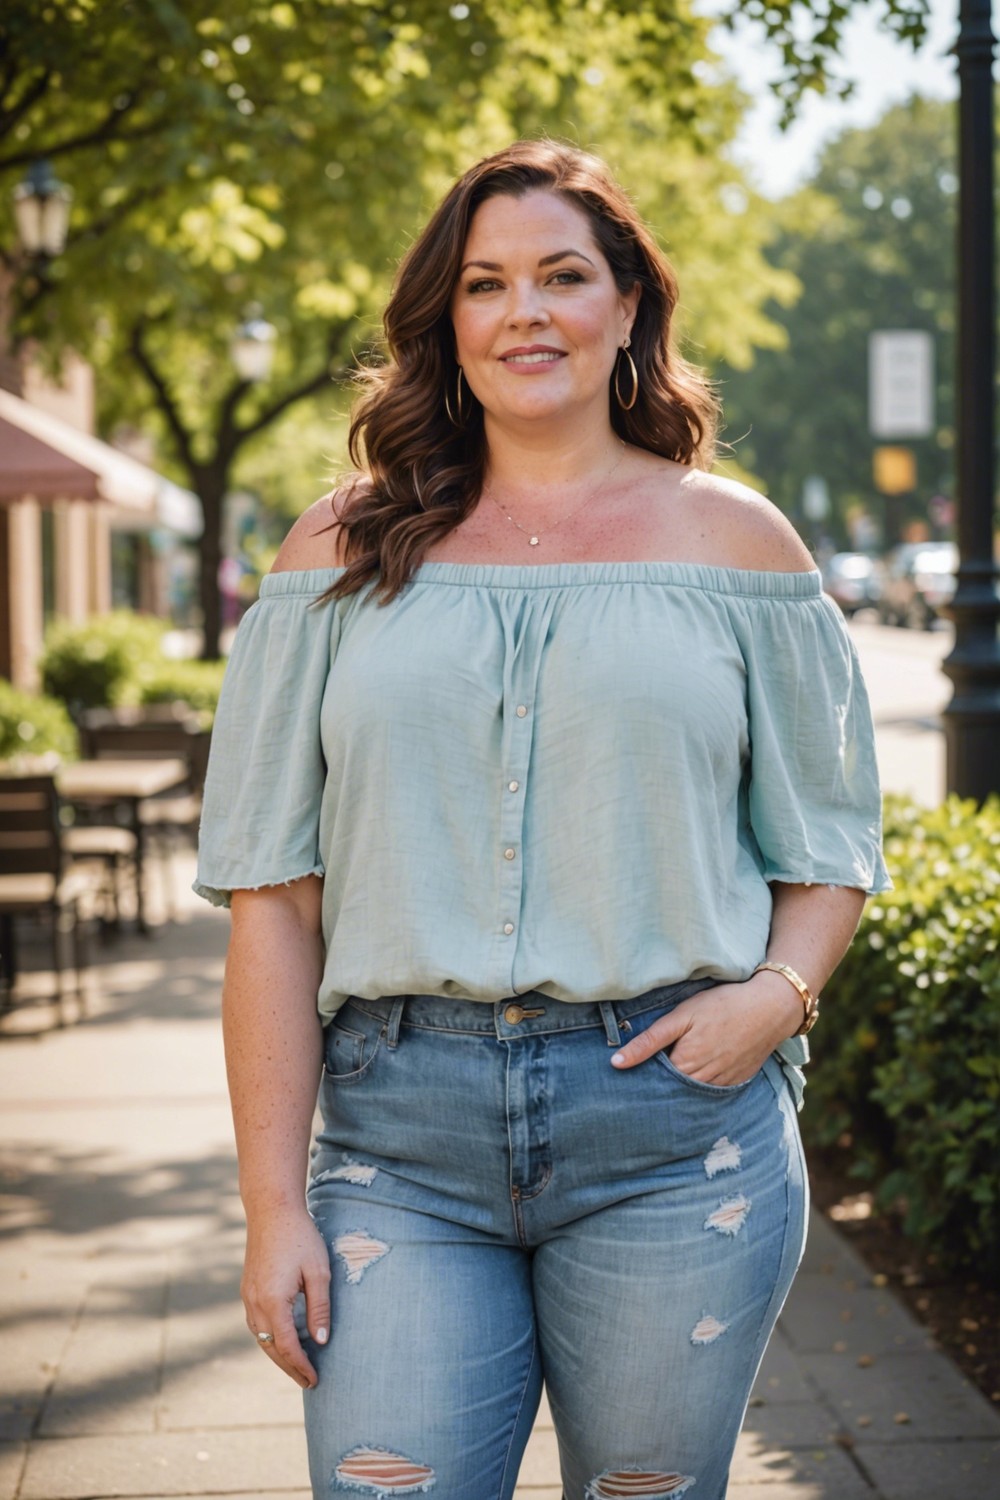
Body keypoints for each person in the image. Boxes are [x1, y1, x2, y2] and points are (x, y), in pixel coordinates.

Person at [195, 140, 890, 1500]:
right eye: (486, 283)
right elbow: (272, 901)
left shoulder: (739, 548)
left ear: (628, 304)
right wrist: (271, 1206)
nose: (526, 313)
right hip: (401, 1142)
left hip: (677, 1137)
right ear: (444, 322)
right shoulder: (334, 554)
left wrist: (778, 995)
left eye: (564, 275)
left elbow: (831, 845)